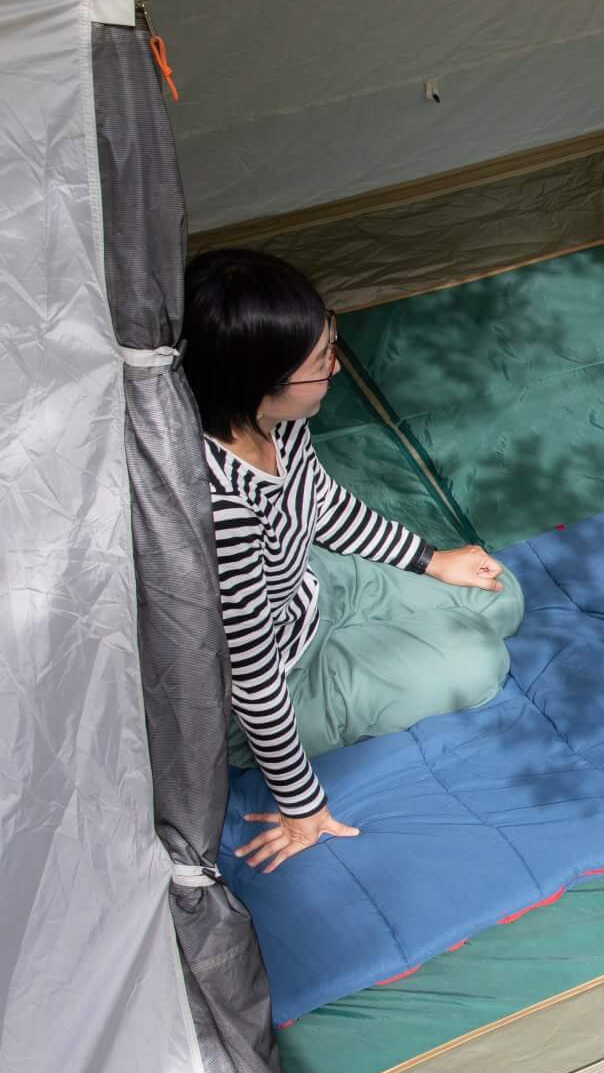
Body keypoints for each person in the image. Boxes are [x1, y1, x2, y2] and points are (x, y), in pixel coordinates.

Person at [187, 247, 525, 873]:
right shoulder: (218, 511)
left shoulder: (274, 419)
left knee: (500, 593)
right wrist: (301, 804)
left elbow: (318, 501)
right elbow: (254, 683)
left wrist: (430, 560)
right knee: (482, 662)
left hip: (309, 583)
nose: (336, 369)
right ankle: (389, 654)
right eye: (321, 363)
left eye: (329, 346)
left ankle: (409, 617)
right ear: (261, 381)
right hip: (277, 677)